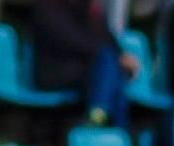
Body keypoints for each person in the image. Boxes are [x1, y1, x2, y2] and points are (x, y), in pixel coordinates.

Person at [32, 0, 138, 128]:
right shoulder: (48, 5)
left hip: (84, 71)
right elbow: (69, 39)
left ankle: (100, 117)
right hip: (54, 72)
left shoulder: (87, 7)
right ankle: (112, 128)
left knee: (113, 73)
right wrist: (111, 56)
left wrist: (122, 56)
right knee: (109, 65)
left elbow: (106, 36)